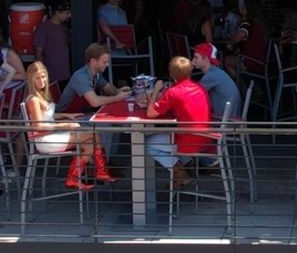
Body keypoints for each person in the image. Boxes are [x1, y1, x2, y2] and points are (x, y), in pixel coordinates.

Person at [23, 61, 104, 190]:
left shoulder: (41, 95)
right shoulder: (33, 99)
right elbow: (39, 127)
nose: (41, 81)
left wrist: (67, 115)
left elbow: (48, 115)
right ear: (31, 79)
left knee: (89, 143)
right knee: (92, 135)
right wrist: (65, 125)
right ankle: (99, 171)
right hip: (45, 140)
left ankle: (77, 177)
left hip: (51, 135)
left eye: (43, 76)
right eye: (37, 78)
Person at [142, 56, 213, 189]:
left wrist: (156, 90)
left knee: (146, 143)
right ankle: (189, 169)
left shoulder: (173, 92)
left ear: (171, 73)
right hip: (206, 137)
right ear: (190, 72)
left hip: (188, 140)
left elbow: (150, 113)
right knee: (165, 140)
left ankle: (181, 175)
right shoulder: (200, 87)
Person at [57, 43, 131, 114]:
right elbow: (95, 102)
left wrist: (119, 91)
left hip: (81, 112)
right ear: (93, 61)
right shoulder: (80, 77)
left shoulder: (96, 74)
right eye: (104, 62)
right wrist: (117, 98)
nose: (107, 65)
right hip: (66, 116)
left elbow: (109, 89)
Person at [191, 42, 242, 121]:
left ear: (206, 59)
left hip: (225, 121)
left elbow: (191, 93)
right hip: (230, 119)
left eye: (196, 57)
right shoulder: (215, 72)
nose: (192, 61)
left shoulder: (212, 75)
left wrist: (186, 72)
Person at [29, 5, 72, 86]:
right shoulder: (44, 27)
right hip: (51, 75)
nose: (69, 16)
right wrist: (41, 73)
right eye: (67, 13)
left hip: (65, 72)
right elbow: (38, 51)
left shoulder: (64, 27)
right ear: (57, 13)